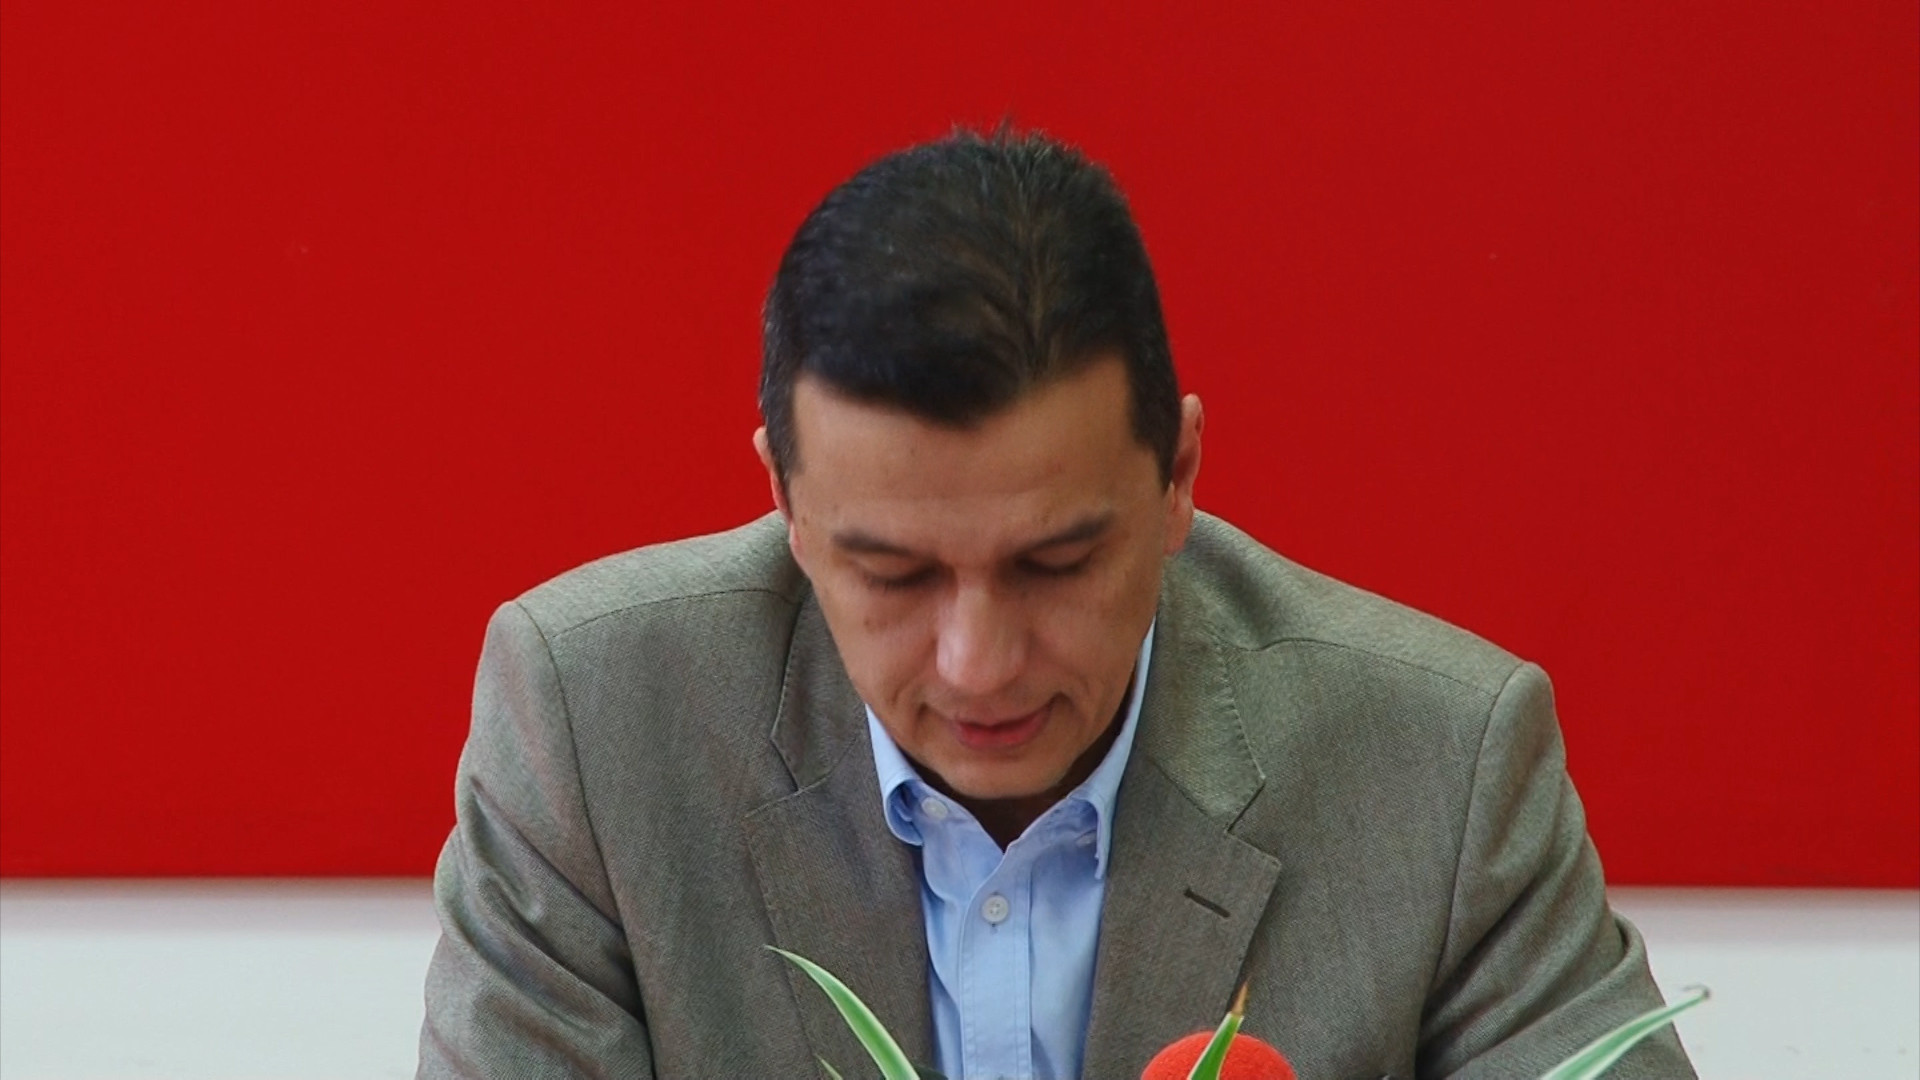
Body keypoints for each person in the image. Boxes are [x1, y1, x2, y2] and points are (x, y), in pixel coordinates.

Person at [418, 128, 1693, 1079]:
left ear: (1178, 477)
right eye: (894, 574)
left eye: (1057, 564)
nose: (979, 664)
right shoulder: (595, 727)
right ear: (788, 508)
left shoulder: (1439, 768)